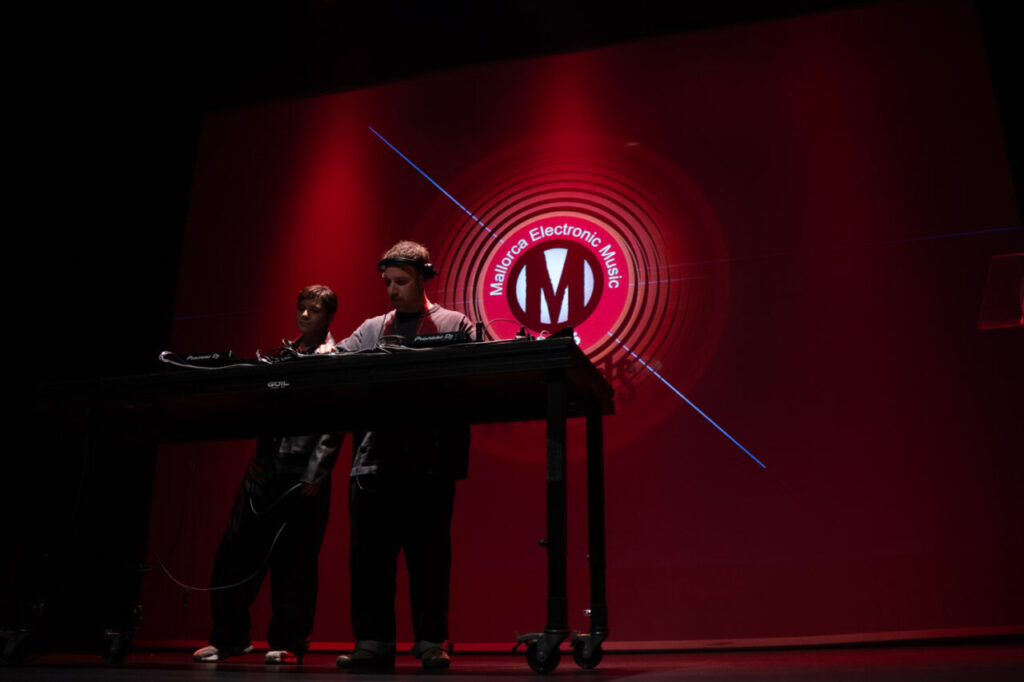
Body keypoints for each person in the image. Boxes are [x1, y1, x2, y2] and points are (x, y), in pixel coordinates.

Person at [334, 241, 473, 671]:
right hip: (374, 464)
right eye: (387, 283)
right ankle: (373, 641)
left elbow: (470, 380)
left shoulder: (456, 323)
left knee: (428, 557)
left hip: (428, 462)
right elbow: (334, 366)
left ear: (424, 278)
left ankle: (431, 640)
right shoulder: (372, 327)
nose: (392, 291)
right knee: (370, 559)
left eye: (401, 282)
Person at [192, 284, 342, 665]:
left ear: (328, 317)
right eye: (301, 308)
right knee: (234, 553)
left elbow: (334, 422)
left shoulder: (334, 358)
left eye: (314, 310)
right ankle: (229, 637)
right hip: (264, 471)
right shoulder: (281, 355)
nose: (305, 315)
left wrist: (316, 474)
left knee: (294, 563)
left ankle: (289, 641)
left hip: (302, 477)